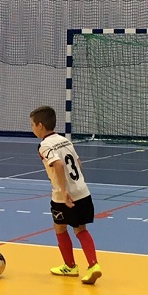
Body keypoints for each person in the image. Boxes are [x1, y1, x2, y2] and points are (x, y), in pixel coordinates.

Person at [30, 105, 101, 284]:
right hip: (82, 191)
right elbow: (78, 162)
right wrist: (77, 185)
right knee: (81, 229)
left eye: (32, 125)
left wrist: (63, 191)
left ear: (40, 125)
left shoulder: (44, 145)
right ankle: (93, 265)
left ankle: (70, 266)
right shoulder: (65, 140)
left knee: (60, 228)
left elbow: (59, 164)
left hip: (64, 196)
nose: (32, 128)